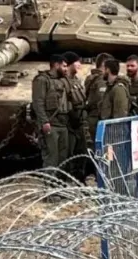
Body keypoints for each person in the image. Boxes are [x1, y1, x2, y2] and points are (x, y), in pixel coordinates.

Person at [31, 55, 70, 172]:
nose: (66, 69)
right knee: (51, 158)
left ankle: (59, 181)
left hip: (63, 124)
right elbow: (38, 102)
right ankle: (49, 181)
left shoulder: (63, 80)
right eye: (64, 66)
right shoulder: (42, 80)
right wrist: (44, 121)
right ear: (56, 65)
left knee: (63, 158)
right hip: (50, 124)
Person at [61, 51, 88, 181]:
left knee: (81, 152)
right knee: (67, 154)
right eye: (77, 62)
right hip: (69, 123)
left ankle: (79, 179)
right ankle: (64, 180)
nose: (79, 65)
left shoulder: (76, 80)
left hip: (79, 122)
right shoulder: (62, 81)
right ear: (70, 64)